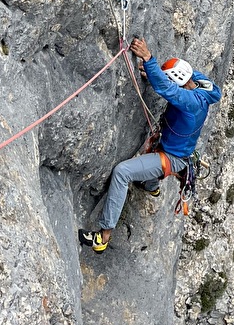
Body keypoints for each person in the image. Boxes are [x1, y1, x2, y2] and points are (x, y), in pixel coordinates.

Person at [80, 36, 220, 253]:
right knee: (153, 161)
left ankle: (103, 236)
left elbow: (169, 90)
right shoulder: (204, 91)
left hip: (171, 157)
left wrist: (149, 59)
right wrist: (157, 76)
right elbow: (188, 82)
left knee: (122, 172)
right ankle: (151, 187)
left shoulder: (191, 102)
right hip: (178, 152)